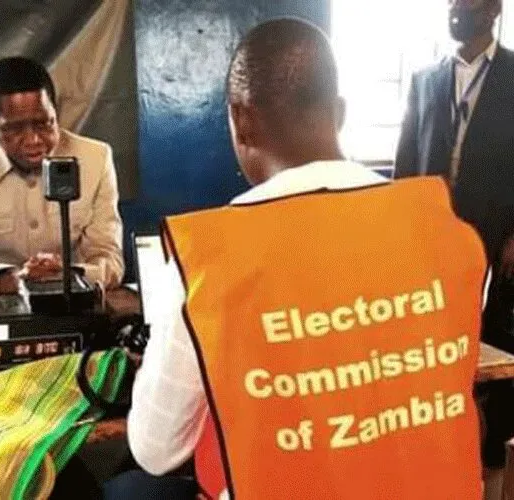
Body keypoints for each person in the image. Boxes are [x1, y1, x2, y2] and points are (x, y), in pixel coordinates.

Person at [120, 18, 488, 500]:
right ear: (340, 112)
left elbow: (156, 450)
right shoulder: (446, 230)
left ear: (240, 120)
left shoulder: (208, 259)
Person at [394, 0, 514, 484]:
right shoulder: (425, 80)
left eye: (467, 1)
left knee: (495, 339)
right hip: (432, 233)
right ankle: (435, 437)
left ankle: (490, 451)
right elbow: (406, 163)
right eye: (450, 1)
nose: (455, 8)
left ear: (493, 10)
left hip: (496, 230)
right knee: (432, 336)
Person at [0, 57, 124, 298]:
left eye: (44, 124)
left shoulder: (95, 159)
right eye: (14, 129)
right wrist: (16, 280)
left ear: (55, 112)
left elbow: (110, 261)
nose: (33, 141)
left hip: (74, 302)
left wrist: (65, 275)